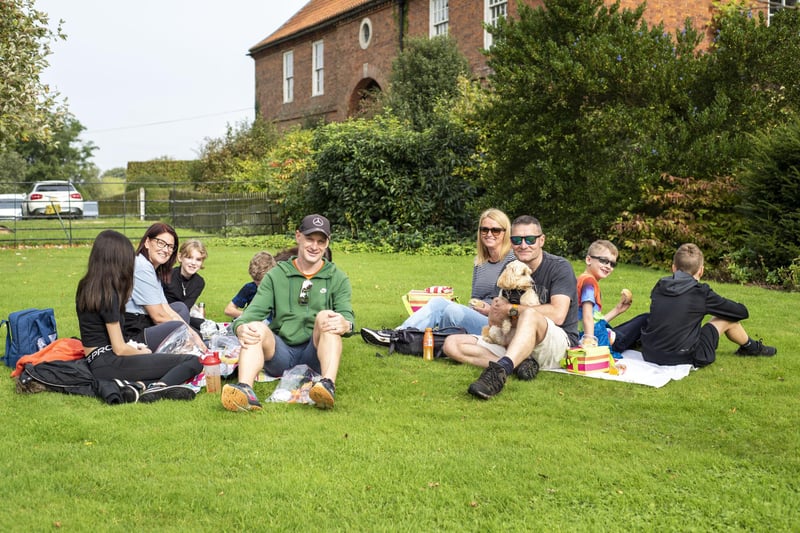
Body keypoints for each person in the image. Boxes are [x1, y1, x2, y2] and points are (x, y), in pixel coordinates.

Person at [221, 214, 355, 411]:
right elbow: (252, 313)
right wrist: (240, 327)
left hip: (316, 353)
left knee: (327, 316)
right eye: (310, 239)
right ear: (298, 236)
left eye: (321, 241)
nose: (314, 246)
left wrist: (346, 324)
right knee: (255, 326)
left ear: (327, 243)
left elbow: (347, 316)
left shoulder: (338, 277)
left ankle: (327, 385)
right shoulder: (276, 275)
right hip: (280, 354)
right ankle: (244, 390)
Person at [443, 215, 579, 400]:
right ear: (511, 242)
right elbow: (494, 319)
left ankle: (499, 373)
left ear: (542, 240)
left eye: (530, 239)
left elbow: (558, 314)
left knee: (529, 314)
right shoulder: (509, 268)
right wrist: (496, 312)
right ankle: (520, 363)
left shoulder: (559, 267)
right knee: (451, 344)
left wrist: (510, 309)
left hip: (556, 344)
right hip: (516, 341)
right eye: (517, 240)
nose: (524, 245)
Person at [76, 230, 202, 402]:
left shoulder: (86, 286)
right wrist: (141, 351)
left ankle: (138, 386)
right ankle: (159, 387)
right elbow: (119, 348)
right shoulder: (109, 294)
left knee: (163, 363)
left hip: (98, 360)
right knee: (193, 362)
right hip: (110, 362)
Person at [360, 208, 515, 345]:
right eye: (484, 230)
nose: (489, 234)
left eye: (495, 230)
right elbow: (475, 297)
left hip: (497, 325)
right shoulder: (480, 262)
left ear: (505, 232)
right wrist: (473, 307)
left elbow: (514, 309)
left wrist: (488, 310)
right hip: (479, 316)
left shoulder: (512, 262)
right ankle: (403, 335)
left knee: (445, 308)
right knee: (442, 306)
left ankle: (398, 336)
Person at [638, 243, 776, 366]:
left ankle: (751, 347)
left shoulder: (660, 285)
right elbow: (741, 312)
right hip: (683, 357)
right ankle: (752, 348)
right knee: (724, 318)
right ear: (701, 270)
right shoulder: (700, 293)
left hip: (649, 353)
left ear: (673, 268)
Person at [123, 223, 205, 352]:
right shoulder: (141, 267)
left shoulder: (152, 269)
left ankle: (183, 349)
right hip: (132, 332)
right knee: (179, 329)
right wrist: (188, 337)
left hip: (144, 321)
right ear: (147, 242)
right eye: (161, 243)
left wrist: (194, 336)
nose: (166, 250)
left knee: (180, 309)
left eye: (170, 246)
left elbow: (167, 308)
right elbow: (159, 317)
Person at [576, 240, 632, 355]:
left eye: (612, 264)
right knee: (643, 321)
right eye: (603, 261)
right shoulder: (589, 282)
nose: (608, 266)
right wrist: (589, 341)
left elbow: (594, 319)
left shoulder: (583, 279)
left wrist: (618, 310)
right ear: (588, 260)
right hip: (592, 335)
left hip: (590, 331)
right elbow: (587, 316)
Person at [163, 239, 207, 331]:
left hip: (182, 316)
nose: (193, 263)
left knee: (208, 326)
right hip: (164, 316)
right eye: (189, 257)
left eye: (198, 259)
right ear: (180, 257)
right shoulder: (167, 276)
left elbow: (187, 307)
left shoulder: (199, 282)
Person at [223, 251, 277, 319]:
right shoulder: (250, 288)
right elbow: (228, 310)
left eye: (263, 282)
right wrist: (249, 315)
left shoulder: (279, 289)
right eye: (256, 281)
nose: (259, 287)